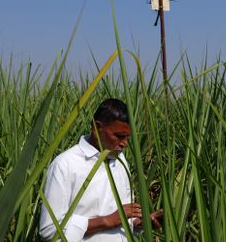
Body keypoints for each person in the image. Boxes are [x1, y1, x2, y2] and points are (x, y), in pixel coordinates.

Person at [39, 98, 161, 241]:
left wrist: (141, 224)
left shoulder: (121, 162)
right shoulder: (65, 165)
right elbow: (49, 230)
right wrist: (106, 221)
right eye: (119, 136)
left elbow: (123, 220)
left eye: (128, 137)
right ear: (97, 128)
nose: (125, 144)